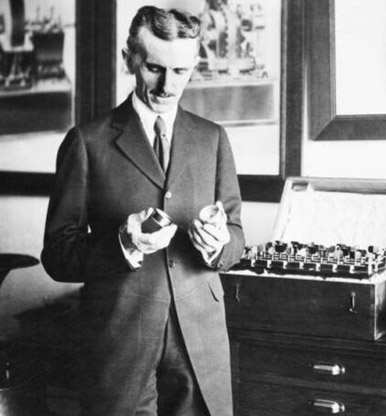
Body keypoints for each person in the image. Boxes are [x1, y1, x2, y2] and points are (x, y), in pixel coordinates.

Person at [41, 6, 244, 416]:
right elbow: (57, 255)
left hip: (200, 341)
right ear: (129, 59)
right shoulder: (86, 142)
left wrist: (218, 243)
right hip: (119, 341)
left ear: (194, 65)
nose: (168, 85)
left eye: (181, 71)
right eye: (154, 68)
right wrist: (122, 244)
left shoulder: (213, 139)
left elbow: (237, 237)